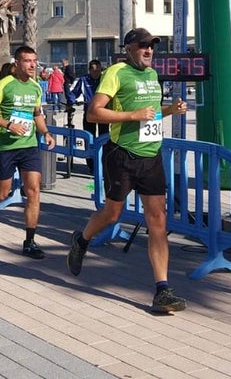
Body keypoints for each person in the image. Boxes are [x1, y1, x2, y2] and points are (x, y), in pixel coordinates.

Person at [66, 28, 189, 314]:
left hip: (151, 155)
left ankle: (162, 289)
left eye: (152, 46)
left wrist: (170, 110)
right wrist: (132, 116)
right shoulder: (117, 72)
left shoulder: (151, 75)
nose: (149, 50)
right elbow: (93, 113)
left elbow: (150, 111)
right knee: (112, 213)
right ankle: (81, 240)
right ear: (129, 48)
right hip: (122, 155)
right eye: (143, 46)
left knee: (158, 220)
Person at [0, 46, 55, 259]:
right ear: (17, 63)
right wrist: (8, 125)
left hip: (28, 146)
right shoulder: (4, 85)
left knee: (34, 190)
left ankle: (29, 241)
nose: (32, 65)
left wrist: (45, 132)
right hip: (7, 147)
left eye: (34, 61)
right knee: (2, 193)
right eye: (27, 61)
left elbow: (37, 114)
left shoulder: (36, 88)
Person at [68, 59, 107, 175]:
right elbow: (73, 93)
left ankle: (103, 164)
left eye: (98, 71)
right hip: (89, 113)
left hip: (104, 113)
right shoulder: (84, 80)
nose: (96, 73)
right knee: (89, 138)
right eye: (94, 71)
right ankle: (91, 165)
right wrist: (72, 101)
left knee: (104, 138)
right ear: (90, 70)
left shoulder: (104, 79)